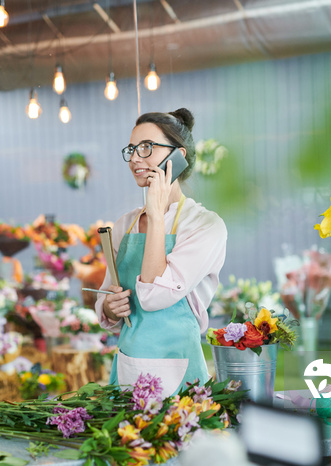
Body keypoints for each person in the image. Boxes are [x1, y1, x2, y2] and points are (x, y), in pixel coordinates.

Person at [95, 108, 227, 396]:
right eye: (131, 149)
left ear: (178, 156)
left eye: (146, 148)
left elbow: (155, 296)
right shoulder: (124, 225)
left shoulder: (205, 225)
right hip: (128, 364)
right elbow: (107, 293)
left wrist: (155, 216)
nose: (133, 159)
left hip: (180, 370)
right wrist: (108, 306)